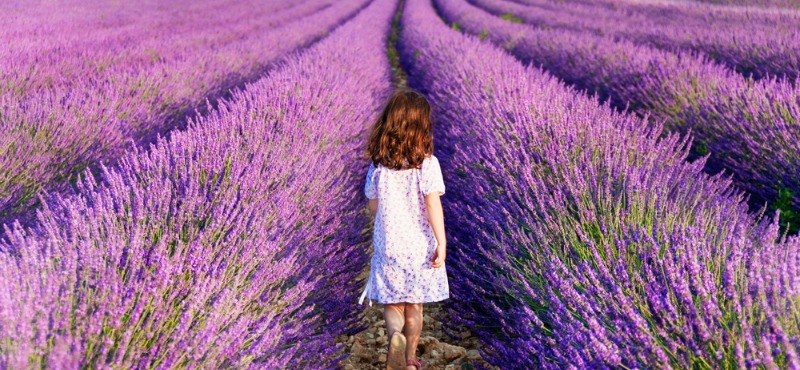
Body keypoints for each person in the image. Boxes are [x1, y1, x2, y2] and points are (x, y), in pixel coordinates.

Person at [358, 89, 449, 370]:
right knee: (415, 305)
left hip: (389, 243)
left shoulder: (378, 166)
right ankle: (409, 359)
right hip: (419, 244)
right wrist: (441, 242)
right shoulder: (427, 164)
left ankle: (394, 337)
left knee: (393, 303)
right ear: (421, 127)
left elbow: (373, 207)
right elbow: (432, 204)